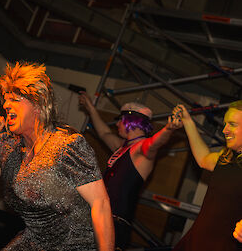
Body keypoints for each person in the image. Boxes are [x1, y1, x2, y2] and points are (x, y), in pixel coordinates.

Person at [0, 62, 114, 251]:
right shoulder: (7, 145)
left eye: (14, 99)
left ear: (38, 103)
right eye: (5, 99)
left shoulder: (66, 145)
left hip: (76, 243)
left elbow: (100, 203)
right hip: (35, 241)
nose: (5, 105)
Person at [79, 92, 180, 250]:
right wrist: (91, 108)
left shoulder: (141, 149)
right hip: (100, 217)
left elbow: (154, 144)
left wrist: (169, 129)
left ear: (129, 122)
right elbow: (104, 133)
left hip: (114, 224)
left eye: (120, 120)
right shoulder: (123, 147)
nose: (117, 123)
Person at [172, 102, 242, 251]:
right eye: (225, 124)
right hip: (196, 240)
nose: (225, 130)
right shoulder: (225, 158)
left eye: (232, 124)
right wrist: (188, 121)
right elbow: (203, 159)